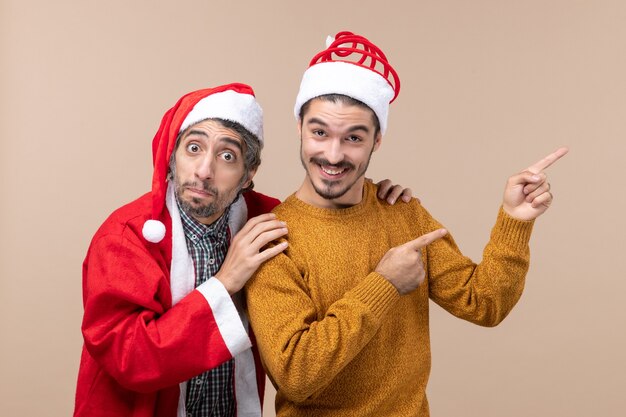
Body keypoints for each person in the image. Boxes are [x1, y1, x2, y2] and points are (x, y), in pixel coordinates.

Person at [244, 31, 568, 417]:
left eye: (353, 138)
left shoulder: (402, 212)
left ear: (377, 140)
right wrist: (384, 284)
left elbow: (485, 304)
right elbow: (296, 374)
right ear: (299, 128)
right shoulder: (272, 237)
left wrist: (514, 221)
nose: (333, 154)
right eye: (319, 132)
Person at [74, 83, 412, 417]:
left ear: (248, 174)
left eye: (226, 156)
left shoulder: (269, 222)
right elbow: (131, 359)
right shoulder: (126, 237)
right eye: (193, 148)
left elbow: (328, 257)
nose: (204, 171)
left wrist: (373, 202)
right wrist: (225, 283)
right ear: (171, 157)